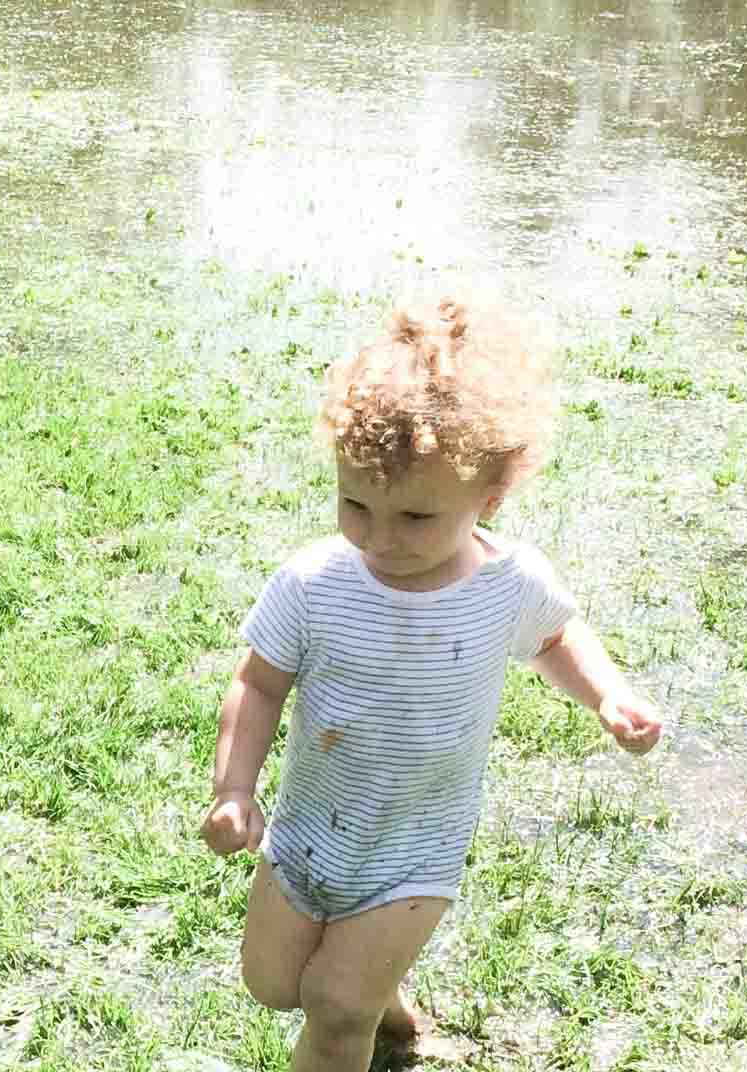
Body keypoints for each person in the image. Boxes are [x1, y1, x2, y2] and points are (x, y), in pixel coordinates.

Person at [199, 299, 663, 1070]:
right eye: (356, 504)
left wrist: (608, 694)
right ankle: (383, 999)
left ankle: (361, 1000)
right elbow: (258, 684)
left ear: (489, 499)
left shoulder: (508, 584)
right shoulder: (315, 582)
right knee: (274, 983)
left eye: (415, 516)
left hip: (419, 842)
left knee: (333, 1011)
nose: (380, 537)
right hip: (312, 826)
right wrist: (232, 789)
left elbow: (556, 638)